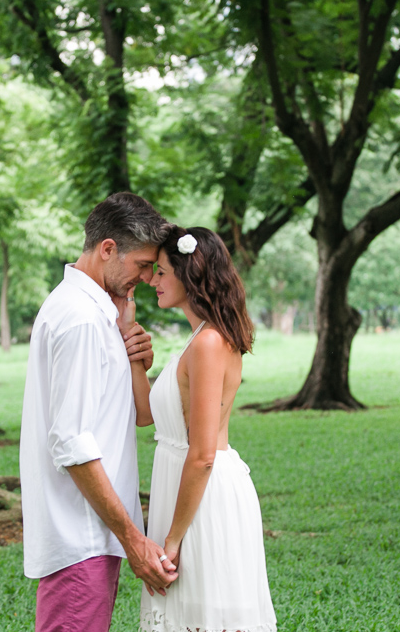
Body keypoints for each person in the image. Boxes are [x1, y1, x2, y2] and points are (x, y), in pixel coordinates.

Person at [20, 192, 178, 632]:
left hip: (90, 538)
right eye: (143, 264)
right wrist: (134, 540)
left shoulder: (96, 313)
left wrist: (129, 344)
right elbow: (70, 442)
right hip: (81, 538)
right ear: (108, 249)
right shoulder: (82, 320)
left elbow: (133, 417)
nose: (148, 278)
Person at [131, 226, 277, 632]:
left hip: (203, 501)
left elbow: (203, 453)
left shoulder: (210, 343)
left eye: (161, 272)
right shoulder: (195, 338)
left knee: (203, 615)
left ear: (189, 274)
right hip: (178, 489)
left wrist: (174, 538)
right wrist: (135, 356)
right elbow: (146, 416)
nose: (151, 280)